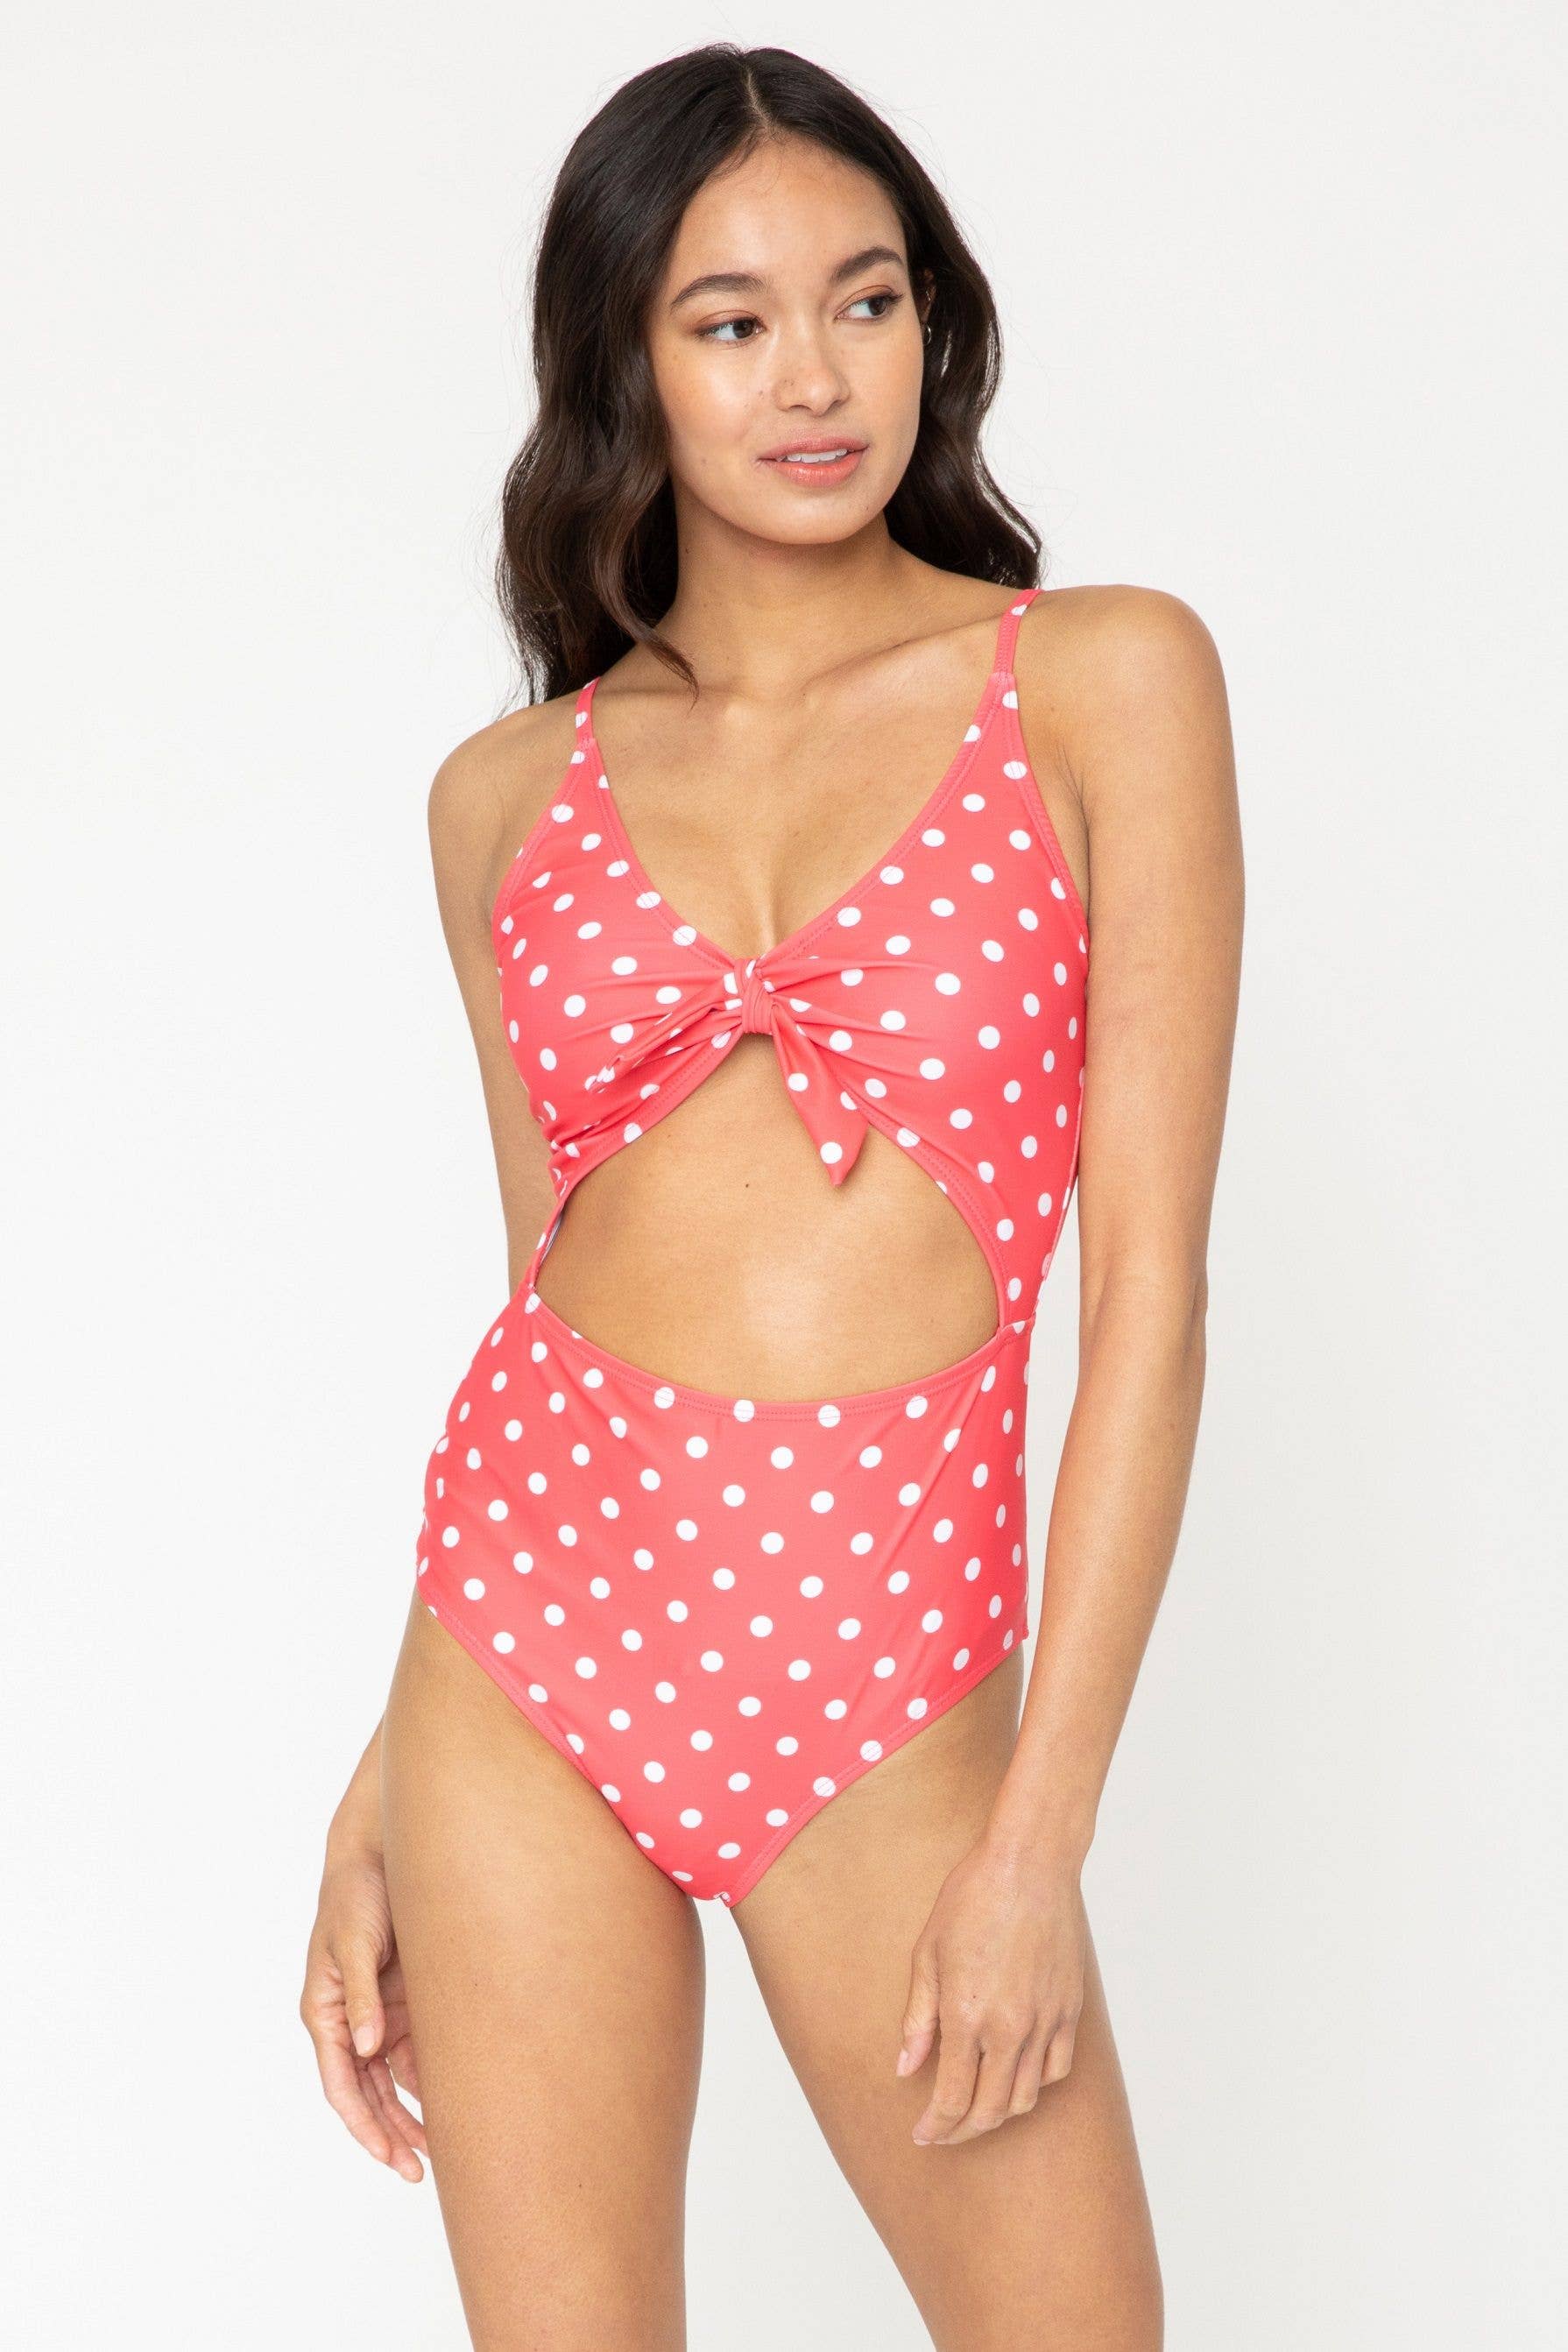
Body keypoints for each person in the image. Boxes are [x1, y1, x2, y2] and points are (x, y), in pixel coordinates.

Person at [300, 42, 1241, 2349]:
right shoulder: (502, 795)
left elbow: (1148, 1299)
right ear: (623, 360)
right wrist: (385, 1775)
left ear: (936, 322)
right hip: (518, 1641)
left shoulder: (1101, 683)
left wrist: (1040, 1837)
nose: (815, 378)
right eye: (730, 321)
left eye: (866, 299)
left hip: (879, 1652)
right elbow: (545, 1276)